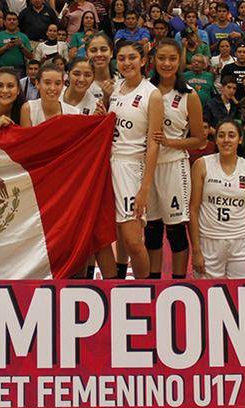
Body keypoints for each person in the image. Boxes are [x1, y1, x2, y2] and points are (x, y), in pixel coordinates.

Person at [144, 38, 204, 280]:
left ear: (180, 61)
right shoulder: (145, 91)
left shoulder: (189, 95)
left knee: (176, 229)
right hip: (147, 166)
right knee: (152, 228)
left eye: (172, 58)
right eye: (161, 58)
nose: (166, 63)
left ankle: (179, 281)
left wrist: (171, 142)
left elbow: (199, 139)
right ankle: (153, 280)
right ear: (153, 61)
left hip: (174, 165)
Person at [108, 40, 164, 279]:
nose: (127, 62)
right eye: (122, 58)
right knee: (118, 234)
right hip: (108, 164)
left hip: (132, 167)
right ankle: (120, 282)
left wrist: (145, 187)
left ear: (143, 61)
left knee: (133, 240)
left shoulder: (152, 94)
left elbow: (154, 143)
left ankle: (147, 291)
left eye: (132, 57)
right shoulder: (116, 88)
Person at [189, 119, 245, 279]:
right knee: (209, 297)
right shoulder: (201, 165)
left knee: (242, 296)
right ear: (215, 139)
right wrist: (196, 250)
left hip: (242, 242)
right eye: (221, 136)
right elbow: (193, 210)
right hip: (208, 240)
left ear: (240, 139)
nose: (226, 140)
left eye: (231, 135)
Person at [85, 32, 114, 102]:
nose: (99, 54)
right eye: (93, 50)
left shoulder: (121, 81)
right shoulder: (83, 85)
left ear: (111, 53)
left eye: (103, 49)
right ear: (86, 54)